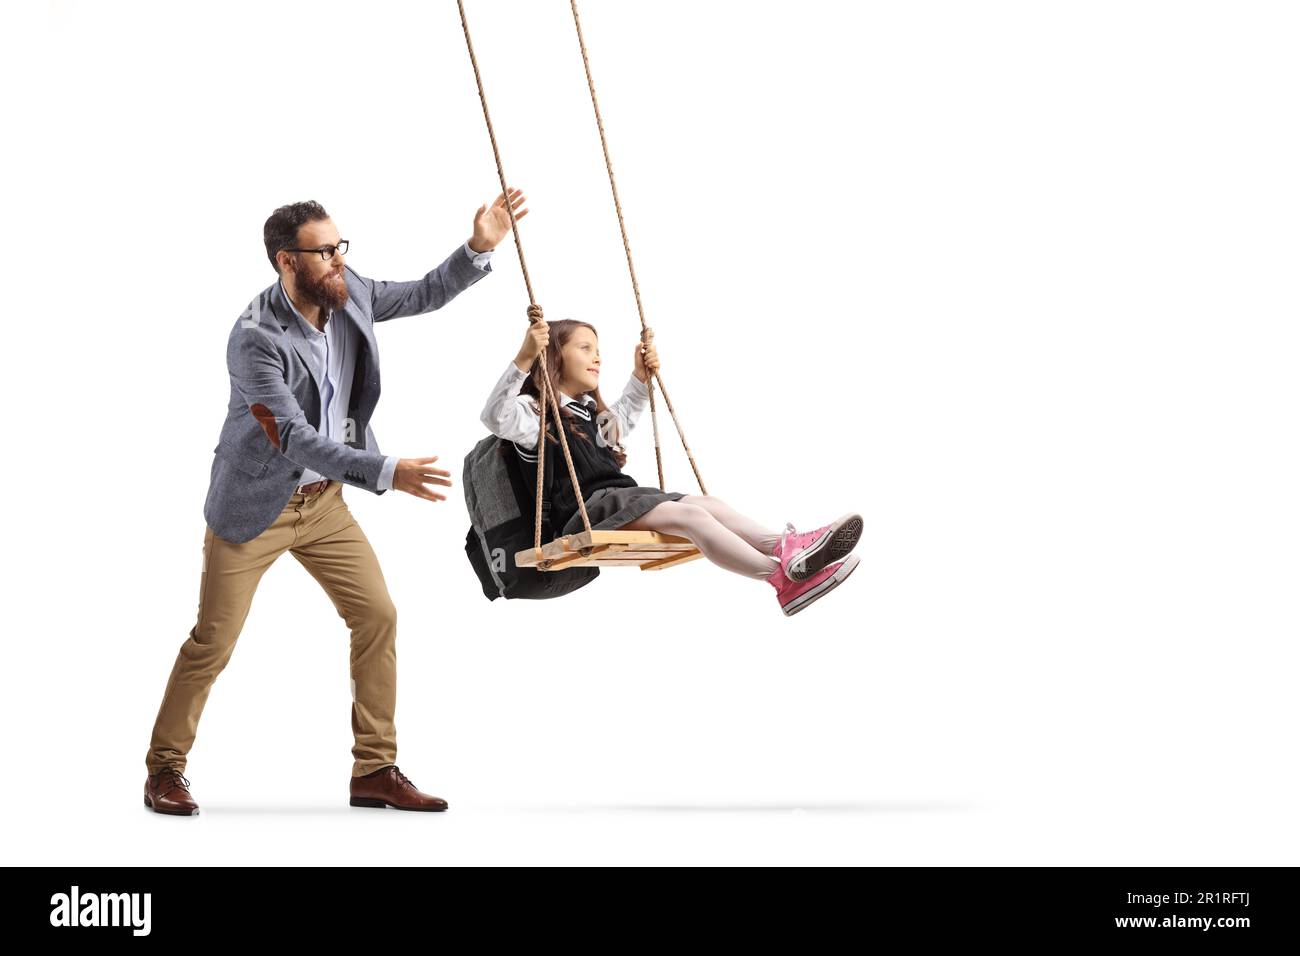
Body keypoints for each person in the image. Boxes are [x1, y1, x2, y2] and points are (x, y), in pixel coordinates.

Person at [144, 190, 528, 815]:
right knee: (213, 639)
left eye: (340, 246)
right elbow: (294, 436)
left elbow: (425, 292)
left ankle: (374, 769)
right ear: (285, 262)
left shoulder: (349, 293)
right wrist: (385, 471)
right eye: (324, 252)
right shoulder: (254, 340)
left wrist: (479, 246)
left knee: (377, 615)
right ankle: (164, 768)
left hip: (323, 506)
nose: (339, 260)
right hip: (254, 508)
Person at [479, 317, 862, 615]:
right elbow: (494, 415)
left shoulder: (591, 414)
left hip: (621, 499)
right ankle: (781, 578)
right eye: (585, 348)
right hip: (588, 512)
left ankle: (786, 548)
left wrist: (640, 378)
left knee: (707, 505)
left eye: (598, 350)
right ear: (555, 356)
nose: (597, 357)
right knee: (690, 519)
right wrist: (525, 356)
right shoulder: (534, 416)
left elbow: (623, 419)